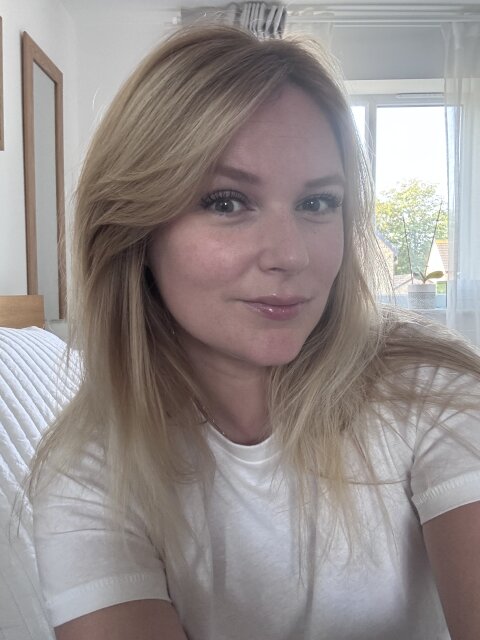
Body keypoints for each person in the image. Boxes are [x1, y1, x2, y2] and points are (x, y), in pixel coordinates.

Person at [28, 24, 480, 640]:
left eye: (317, 203)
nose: (291, 255)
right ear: (134, 231)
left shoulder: (431, 391)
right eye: (226, 202)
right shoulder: (90, 476)